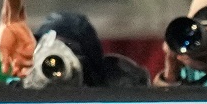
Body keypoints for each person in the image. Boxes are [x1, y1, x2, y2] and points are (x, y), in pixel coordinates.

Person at [19, 11, 150, 89]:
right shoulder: (22, 91)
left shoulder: (116, 86)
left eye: (68, 46)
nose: (53, 59)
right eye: (45, 43)